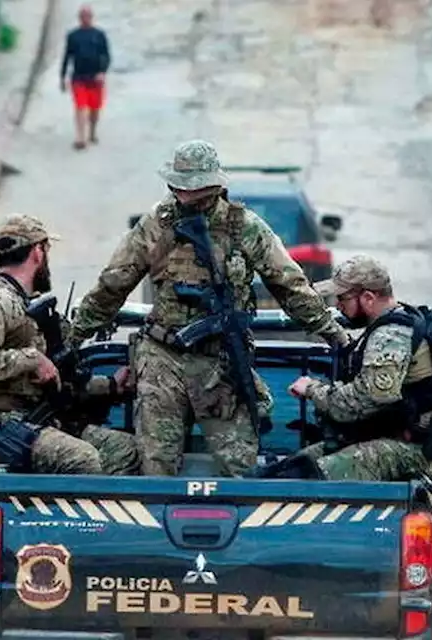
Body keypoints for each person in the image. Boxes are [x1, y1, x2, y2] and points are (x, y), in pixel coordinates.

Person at [64, 140, 349, 477]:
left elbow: (290, 285)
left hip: (221, 362)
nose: (186, 197)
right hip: (162, 358)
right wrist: (72, 337)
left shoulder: (244, 227)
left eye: (196, 189)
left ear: (215, 186)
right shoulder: (157, 225)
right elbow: (112, 286)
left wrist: (335, 335)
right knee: (156, 467)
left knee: (239, 468)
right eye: (181, 188)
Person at [0, 214, 141, 476]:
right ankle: (73, 518)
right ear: (38, 252)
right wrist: (33, 360)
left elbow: (62, 379)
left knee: (125, 451)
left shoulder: (31, 306)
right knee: (84, 459)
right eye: (47, 250)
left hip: (36, 420)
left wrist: (110, 385)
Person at [263, 255, 432, 482]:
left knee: (308, 477)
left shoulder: (391, 336)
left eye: (342, 298)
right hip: (391, 439)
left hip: (414, 450)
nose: (338, 305)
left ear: (368, 298)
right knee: (292, 466)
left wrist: (312, 390)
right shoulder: (388, 326)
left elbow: (361, 401)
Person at [59, 5, 111, 150]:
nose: (85, 19)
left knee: (95, 109)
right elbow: (67, 57)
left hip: (95, 77)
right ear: (79, 18)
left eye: (88, 16)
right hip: (78, 77)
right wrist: (62, 77)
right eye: (83, 16)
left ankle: (92, 132)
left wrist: (102, 72)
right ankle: (80, 138)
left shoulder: (99, 35)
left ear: (92, 18)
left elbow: (106, 55)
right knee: (80, 107)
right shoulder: (73, 36)